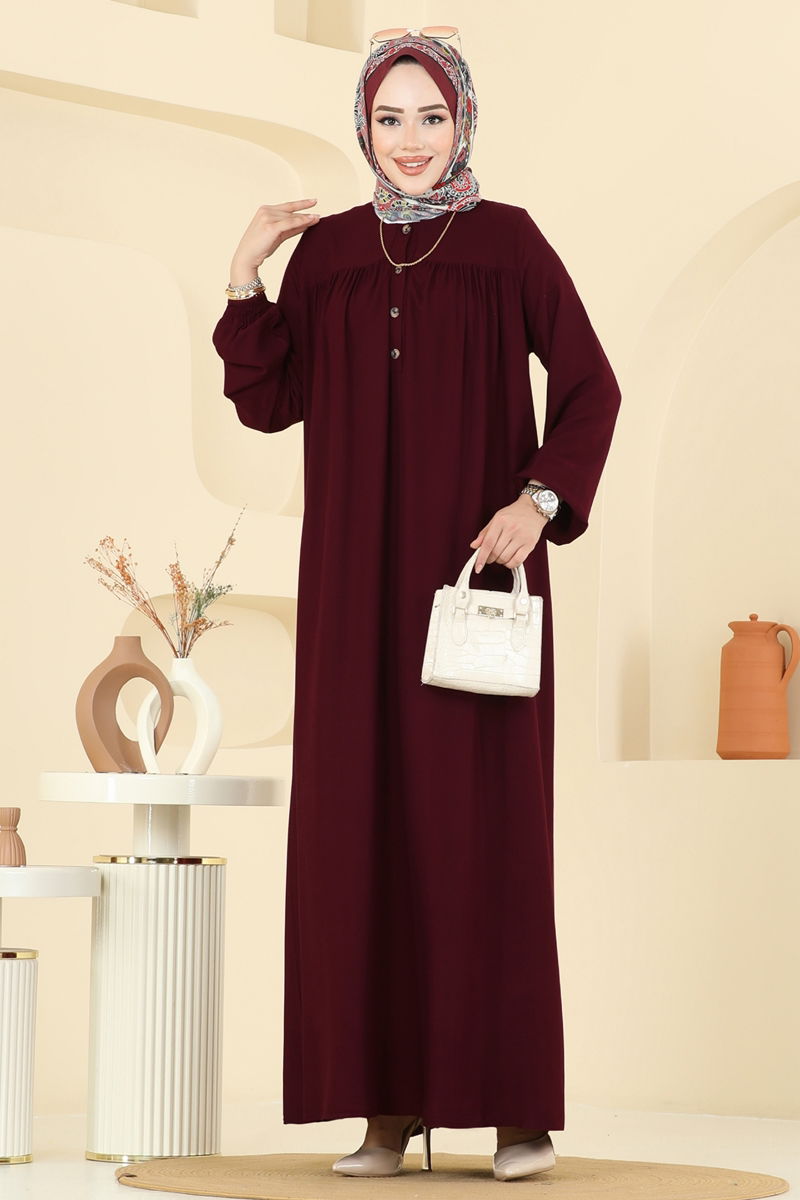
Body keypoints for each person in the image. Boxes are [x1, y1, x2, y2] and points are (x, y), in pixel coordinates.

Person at [212, 28, 621, 1183]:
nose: (408, 140)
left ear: (462, 122)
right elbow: (270, 400)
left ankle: (515, 1116)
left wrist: (537, 500)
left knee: (482, 832)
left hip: (473, 581)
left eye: (428, 117)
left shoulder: (508, 243)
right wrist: (245, 272)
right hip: (354, 589)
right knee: (360, 831)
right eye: (387, 119)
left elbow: (589, 386)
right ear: (363, 127)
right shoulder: (330, 254)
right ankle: (383, 1113)